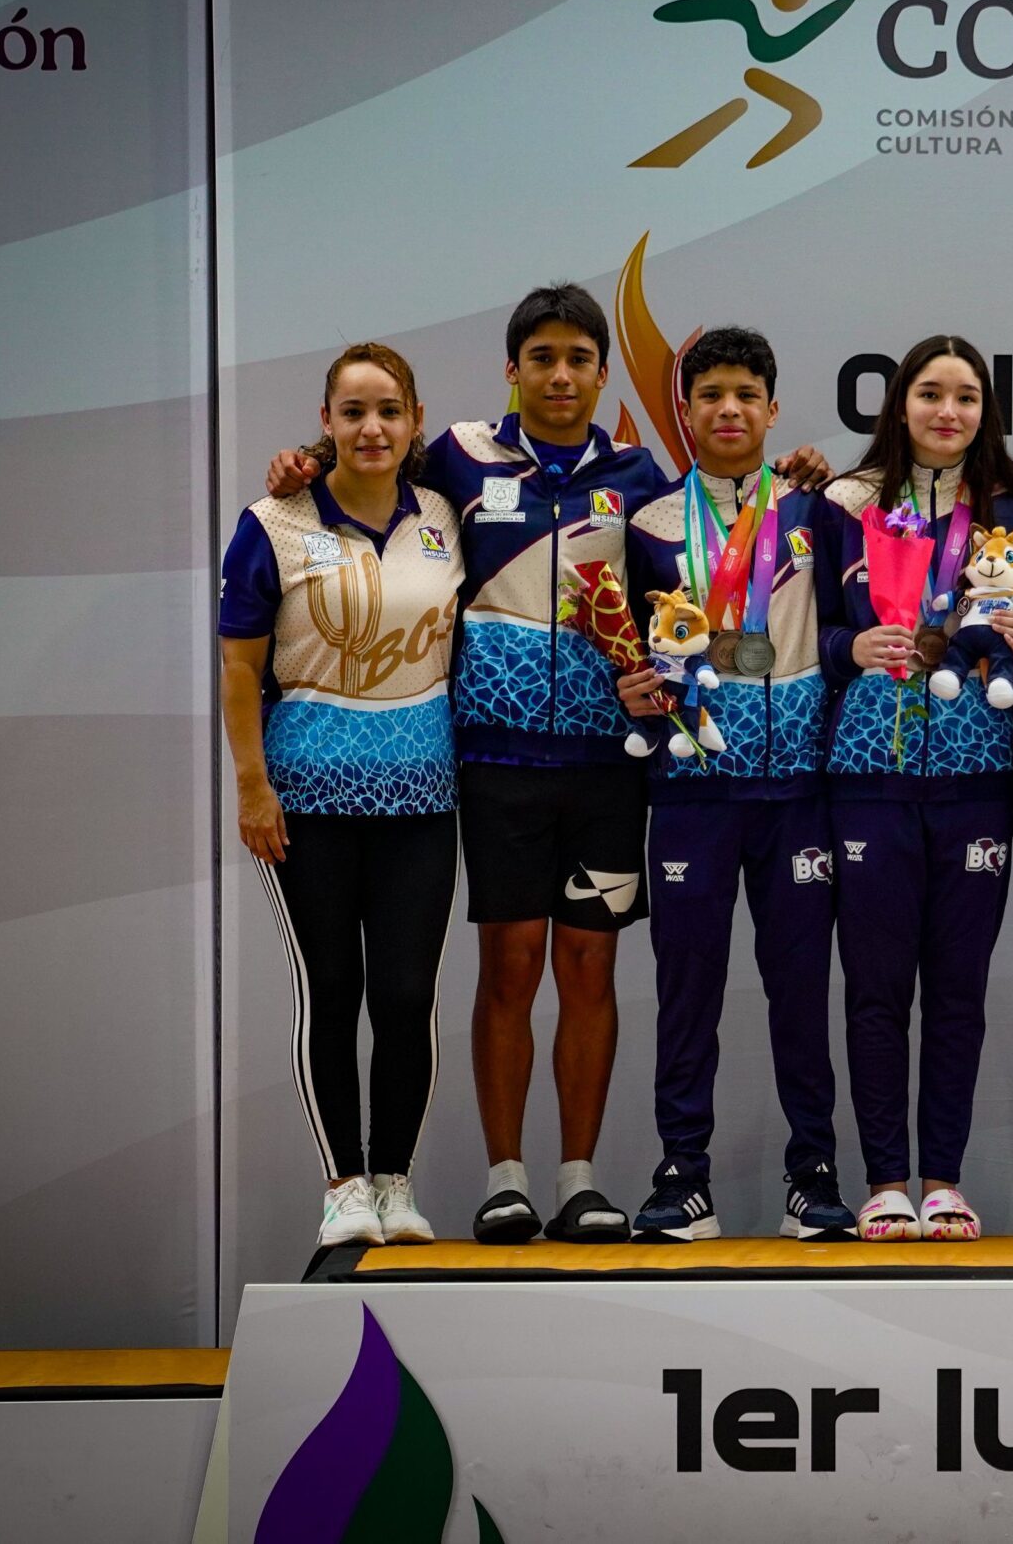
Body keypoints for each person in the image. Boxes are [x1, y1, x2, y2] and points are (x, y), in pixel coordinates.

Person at [264, 286, 827, 1246]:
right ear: (512, 369)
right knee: (511, 965)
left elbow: (705, 551)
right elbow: (371, 454)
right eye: (542, 358)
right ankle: (507, 1180)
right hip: (496, 766)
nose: (560, 375)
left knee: (588, 965)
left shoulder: (637, 475)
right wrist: (306, 458)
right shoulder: (458, 457)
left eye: (578, 359)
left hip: (608, 770)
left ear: (603, 374)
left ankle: (578, 1180)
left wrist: (803, 467)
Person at [221, 344, 462, 1248]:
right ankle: (344, 1185)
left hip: (422, 799)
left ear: (415, 420)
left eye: (389, 410)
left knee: (405, 995)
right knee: (332, 990)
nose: (372, 427)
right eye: (353, 411)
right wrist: (253, 787)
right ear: (325, 421)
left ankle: (394, 1182)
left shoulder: (443, 512)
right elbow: (238, 671)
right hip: (306, 803)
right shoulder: (273, 522)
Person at [813, 336, 1013, 1240]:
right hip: (867, 777)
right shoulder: (845, 502)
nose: (948, 412)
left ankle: (943, 1180)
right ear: (899, 402)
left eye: (966, 396)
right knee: (876, 989)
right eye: (930, 393)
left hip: (977, 778)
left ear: (986, 410)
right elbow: (810, 629)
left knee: (958, 990)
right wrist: (849, 646)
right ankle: (884, 1182)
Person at [621, 327, 851, 1241]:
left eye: (746, 394)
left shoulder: (816, 512)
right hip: (692, 789)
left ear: (773, 407)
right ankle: (683, 1176)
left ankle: (813, 1174)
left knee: (801, 989)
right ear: (684, 409)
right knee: (688, 993)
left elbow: (847, 624)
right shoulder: (648, 524)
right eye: (710, 393)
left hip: (797, 792)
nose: (728, 409)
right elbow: (625, 651)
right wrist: (630, 691)